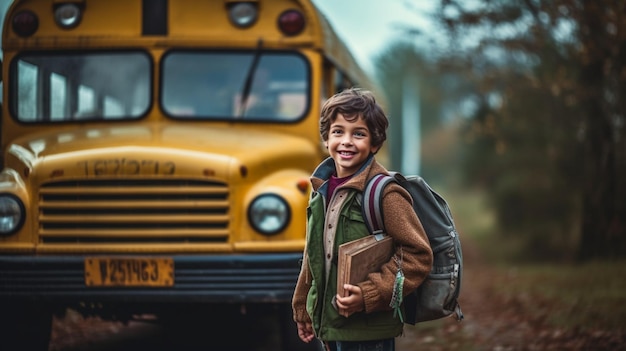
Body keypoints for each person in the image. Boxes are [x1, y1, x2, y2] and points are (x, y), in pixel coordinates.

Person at [292, 88, 434, 351]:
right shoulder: (321, 190)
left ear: (375, 143)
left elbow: (418, 256)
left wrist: (370, 293)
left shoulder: (385, 193)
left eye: (358, 133)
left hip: (369, 335)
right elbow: (313, 255)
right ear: (326, 138)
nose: (346, 141)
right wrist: (303, 308)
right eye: (338, 131)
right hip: (333, 328)